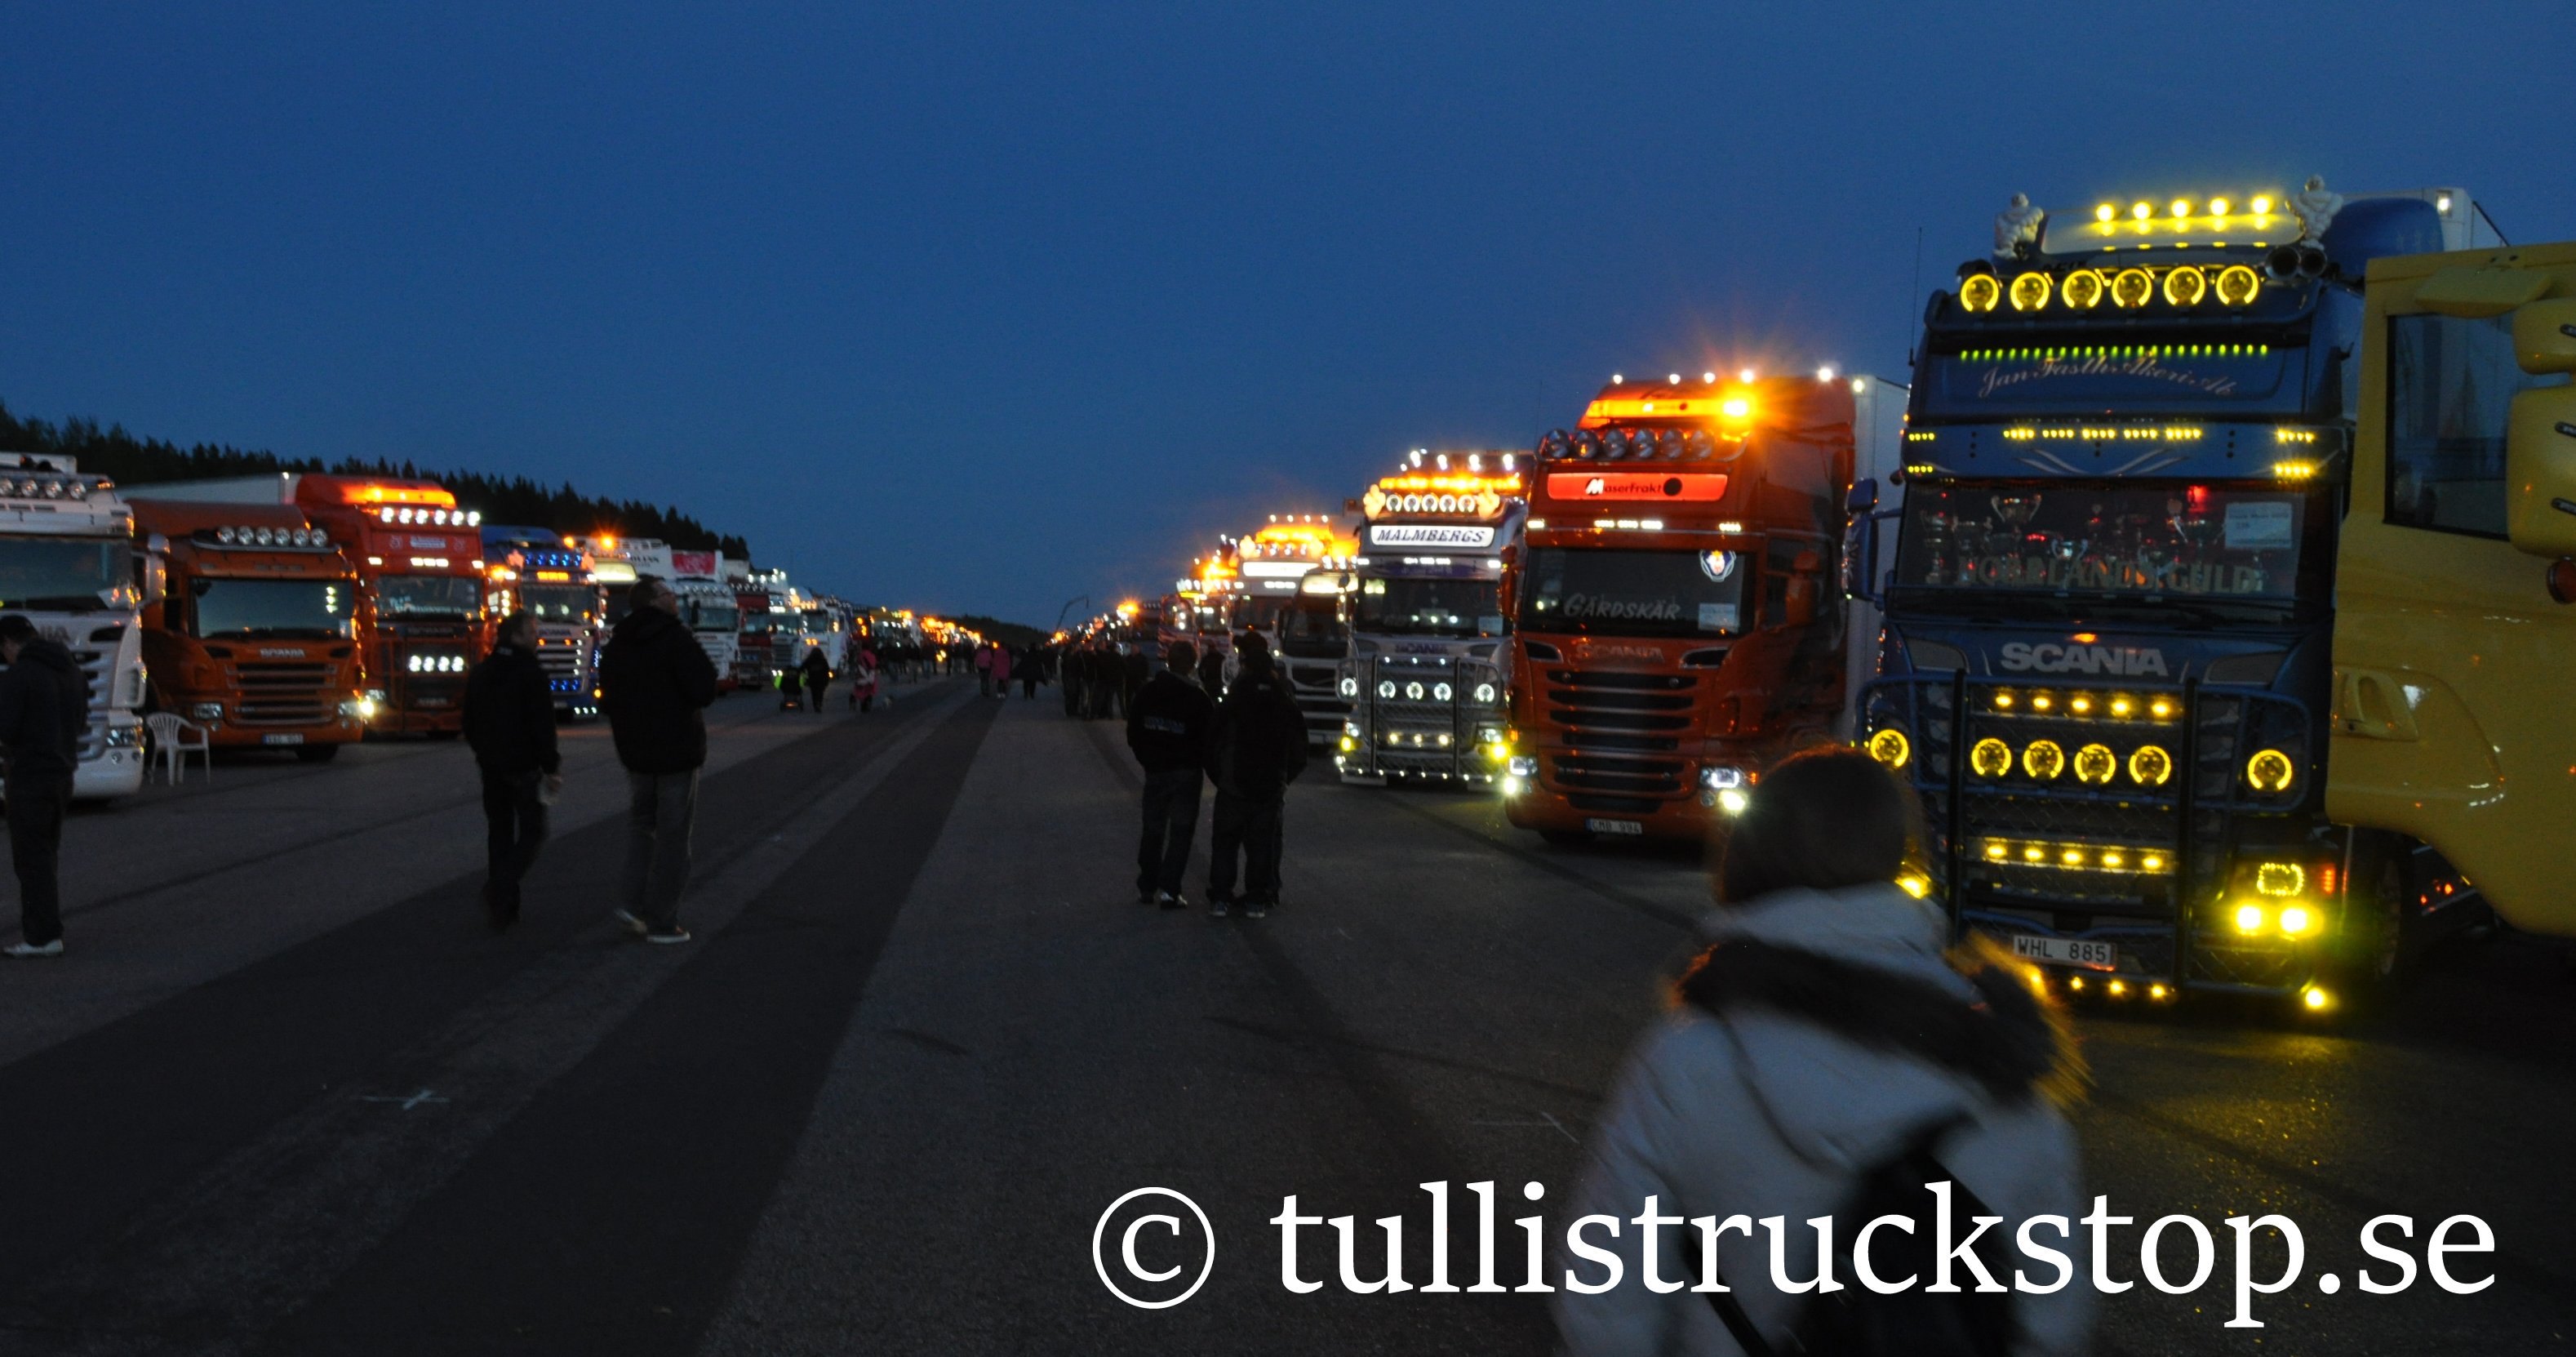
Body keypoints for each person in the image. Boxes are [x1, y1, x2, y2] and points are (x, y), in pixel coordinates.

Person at [1551, 748, 2090, 1357]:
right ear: (1898, 856)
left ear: (1747, 857)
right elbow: (2050, 1322)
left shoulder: (1690, 1060)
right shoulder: (2003, 1072)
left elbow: (1606, 1302)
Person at [597, 576, 719, 945]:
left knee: (642, 828)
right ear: (654, 601)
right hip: (676, 752)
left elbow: (607, 699)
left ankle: (631, 905)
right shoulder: (676, 638)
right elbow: (704, 687)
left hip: (635, 754)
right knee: (674, 837)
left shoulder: (617, 643)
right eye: (669, 593)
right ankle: (663, 921)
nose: (675, 598)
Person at [462, 610, 562, 931]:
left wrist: (483, 752)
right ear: (516, 637)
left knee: (500, 833)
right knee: (534, 832)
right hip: (523, 767)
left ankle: (504, 909)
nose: (537, 638)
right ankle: (500, 888)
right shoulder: (531, 673)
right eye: (532, 632)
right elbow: (542, 725)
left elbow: (468, 721)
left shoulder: (481, 672)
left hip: (491, 766)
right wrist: (551, 767)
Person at [1203, 632, 1306, 919]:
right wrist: (1284, 778)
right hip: (1270, 787)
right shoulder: (1284, 699)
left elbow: (1212, 740)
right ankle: (1257, 899)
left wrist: (1220, 776)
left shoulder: (1235, 697)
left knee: (1225, 843)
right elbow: (1300, 749)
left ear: (1246, 665)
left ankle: (1221, 897)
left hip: (1233, 786)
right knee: (1263, 845)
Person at [0, 615, 85, 958]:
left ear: (9, 643)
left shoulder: (20, 676)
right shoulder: (71, 670)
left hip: (29, 777)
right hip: (62, 774)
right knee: (46, 855)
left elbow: (6, 728)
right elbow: (79, 721)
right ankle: (46, 930)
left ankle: (42, 936)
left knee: (30, 859)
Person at [1127, 640, 1214, 909]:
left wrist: (1147, 759)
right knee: (1181, 832)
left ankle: (1147, 886)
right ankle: (1170, 890)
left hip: (1156, 771)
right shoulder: (1199, 699)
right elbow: (1210, 739)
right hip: (1186, 773)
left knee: (1153, 829)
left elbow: (1134, 731)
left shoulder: (1148, 692)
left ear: (1168, 661)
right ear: (1192, 665)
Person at [799, 647, 832, 713]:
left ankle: (815, 705)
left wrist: (804, 675)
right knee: (821, 692)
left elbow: (802, 668)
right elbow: (827, 670)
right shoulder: (823, 660)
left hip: (812, 679)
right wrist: (827, 679)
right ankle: (819, 703)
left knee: (814, 693)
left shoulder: (809, 660)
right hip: (822, 679)